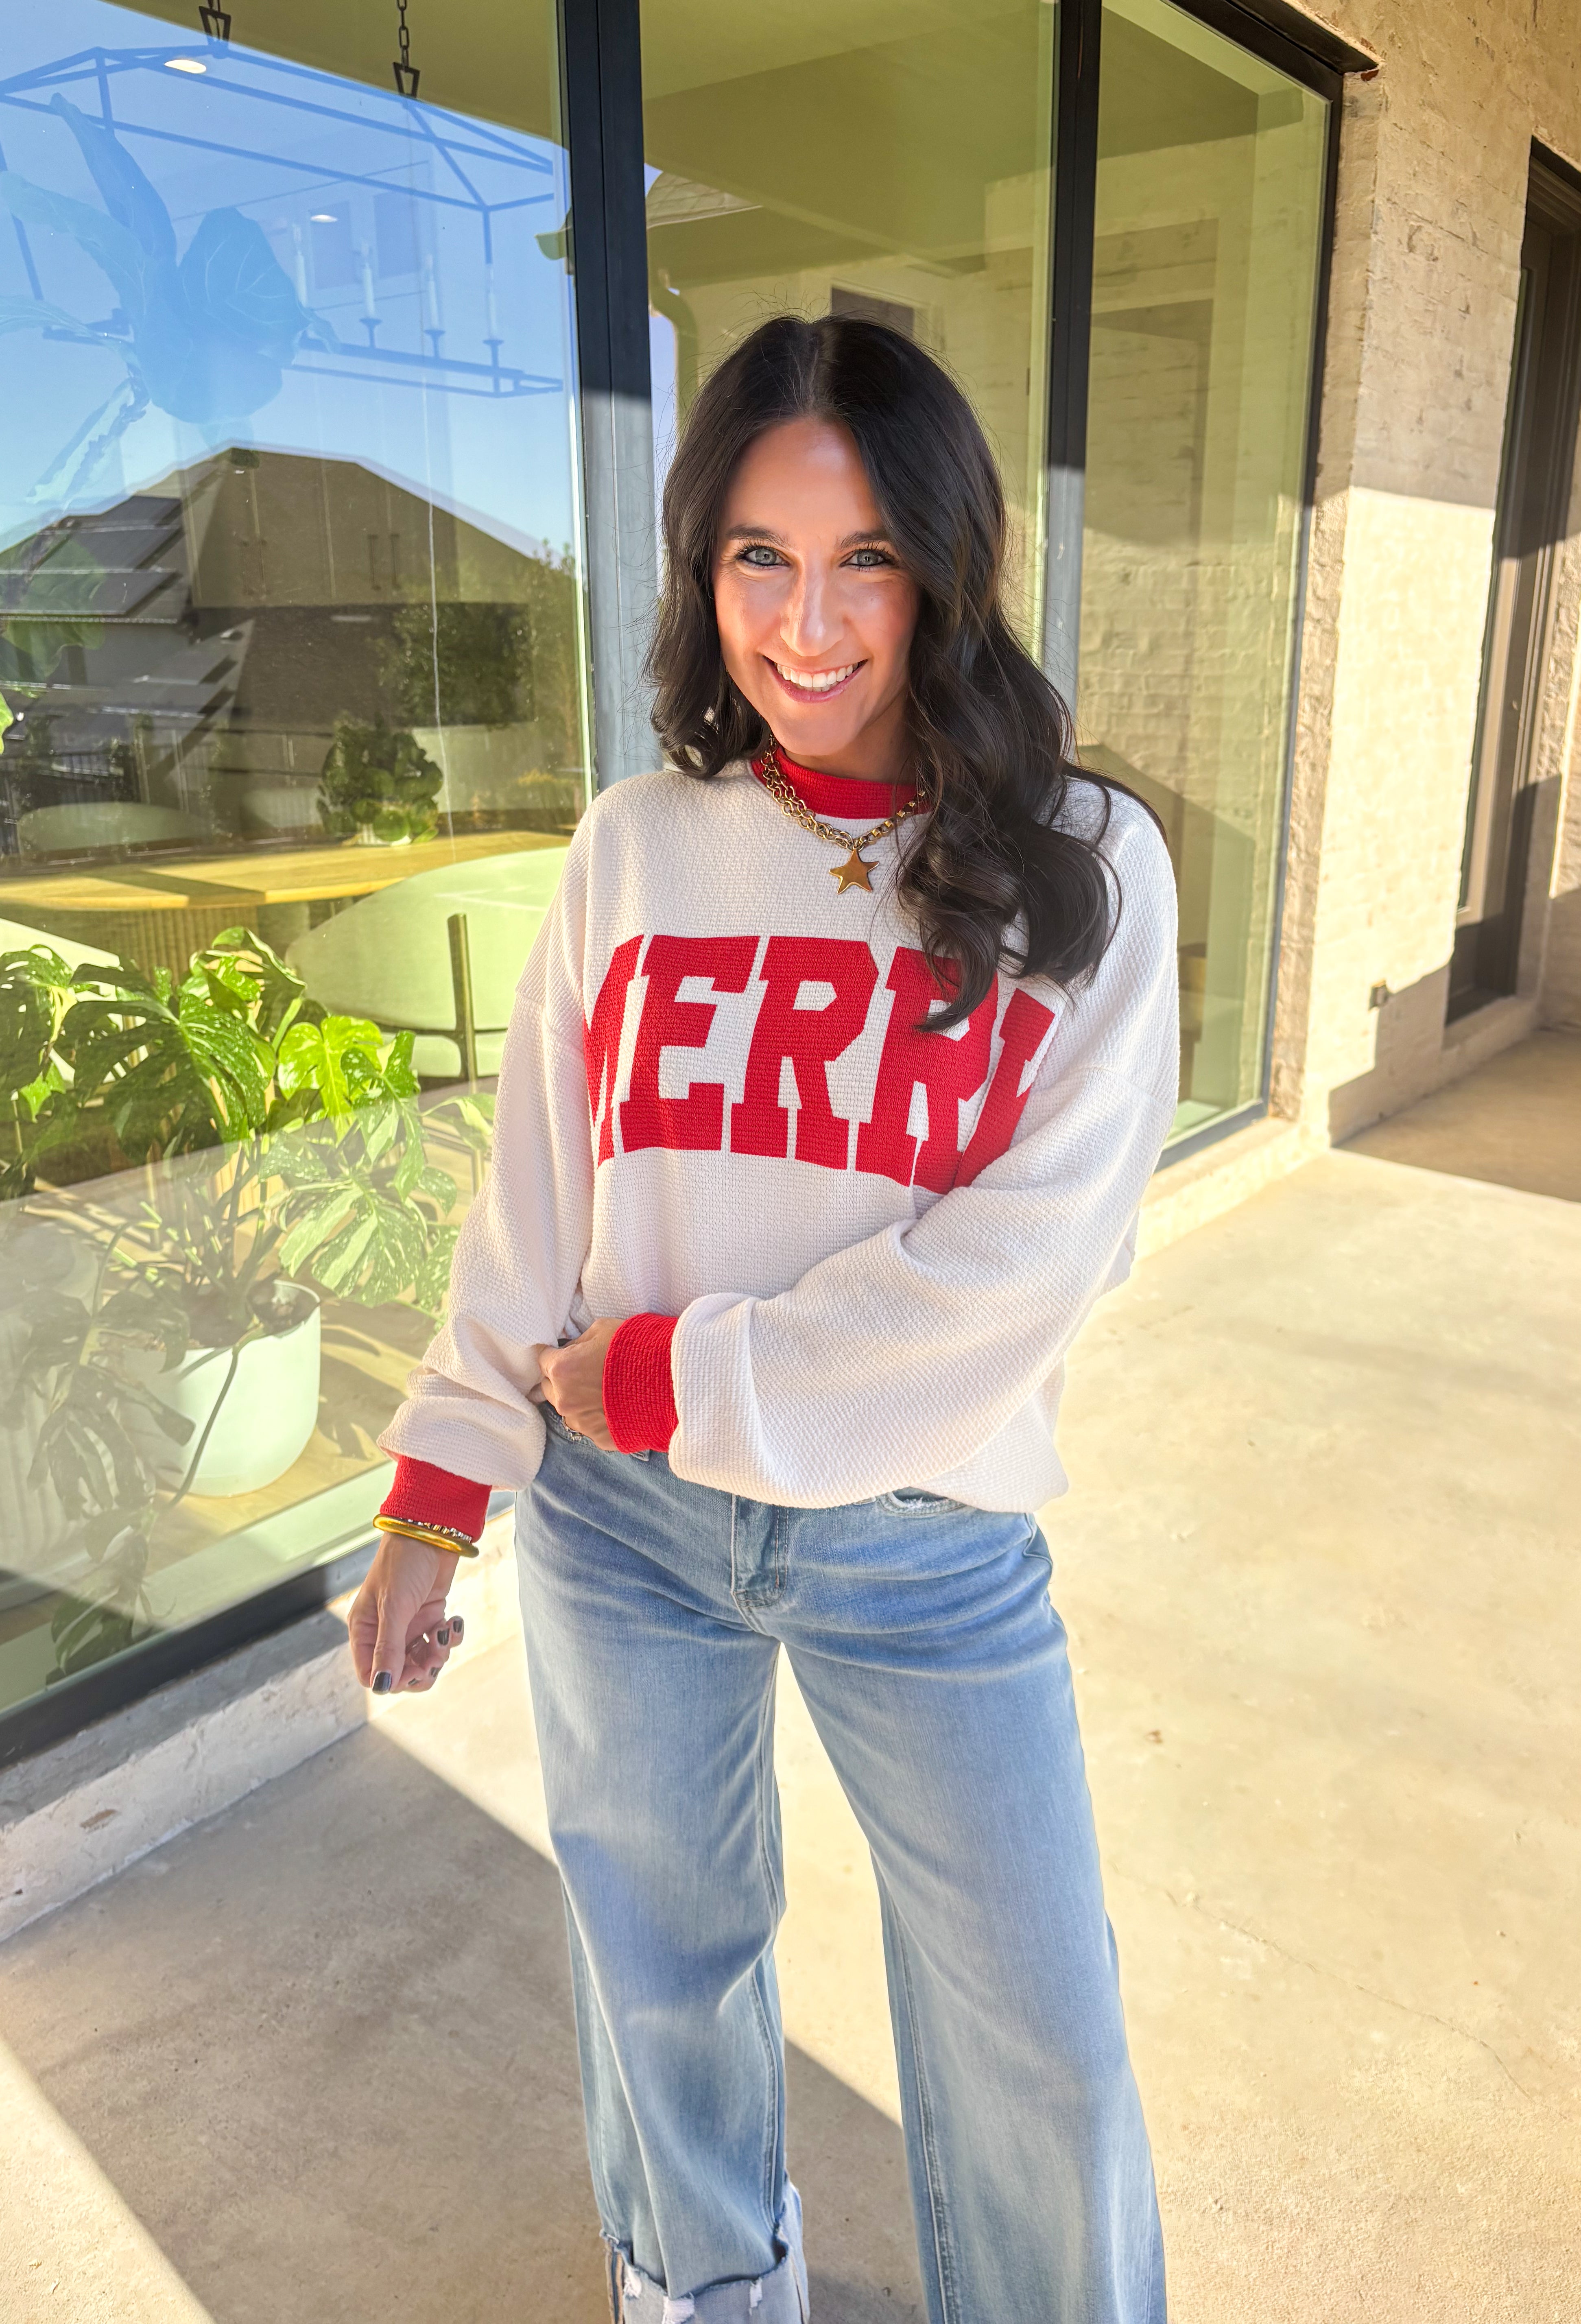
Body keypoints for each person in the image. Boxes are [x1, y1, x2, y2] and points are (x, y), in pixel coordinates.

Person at [349, 312, 1178, 2324]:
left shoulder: (1087, 870)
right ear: (700, 569)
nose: (806, 626)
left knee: (1035, 2028)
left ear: (947, 569)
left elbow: (1027, 1263)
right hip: (624, 1534)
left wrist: (677, 1376)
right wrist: (443, 1480)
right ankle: (705, 2293)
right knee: (662, 1965)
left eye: (864, 559)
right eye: (757, 559)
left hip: (925, 1535)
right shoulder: (637, 850)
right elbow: (541, 1187)